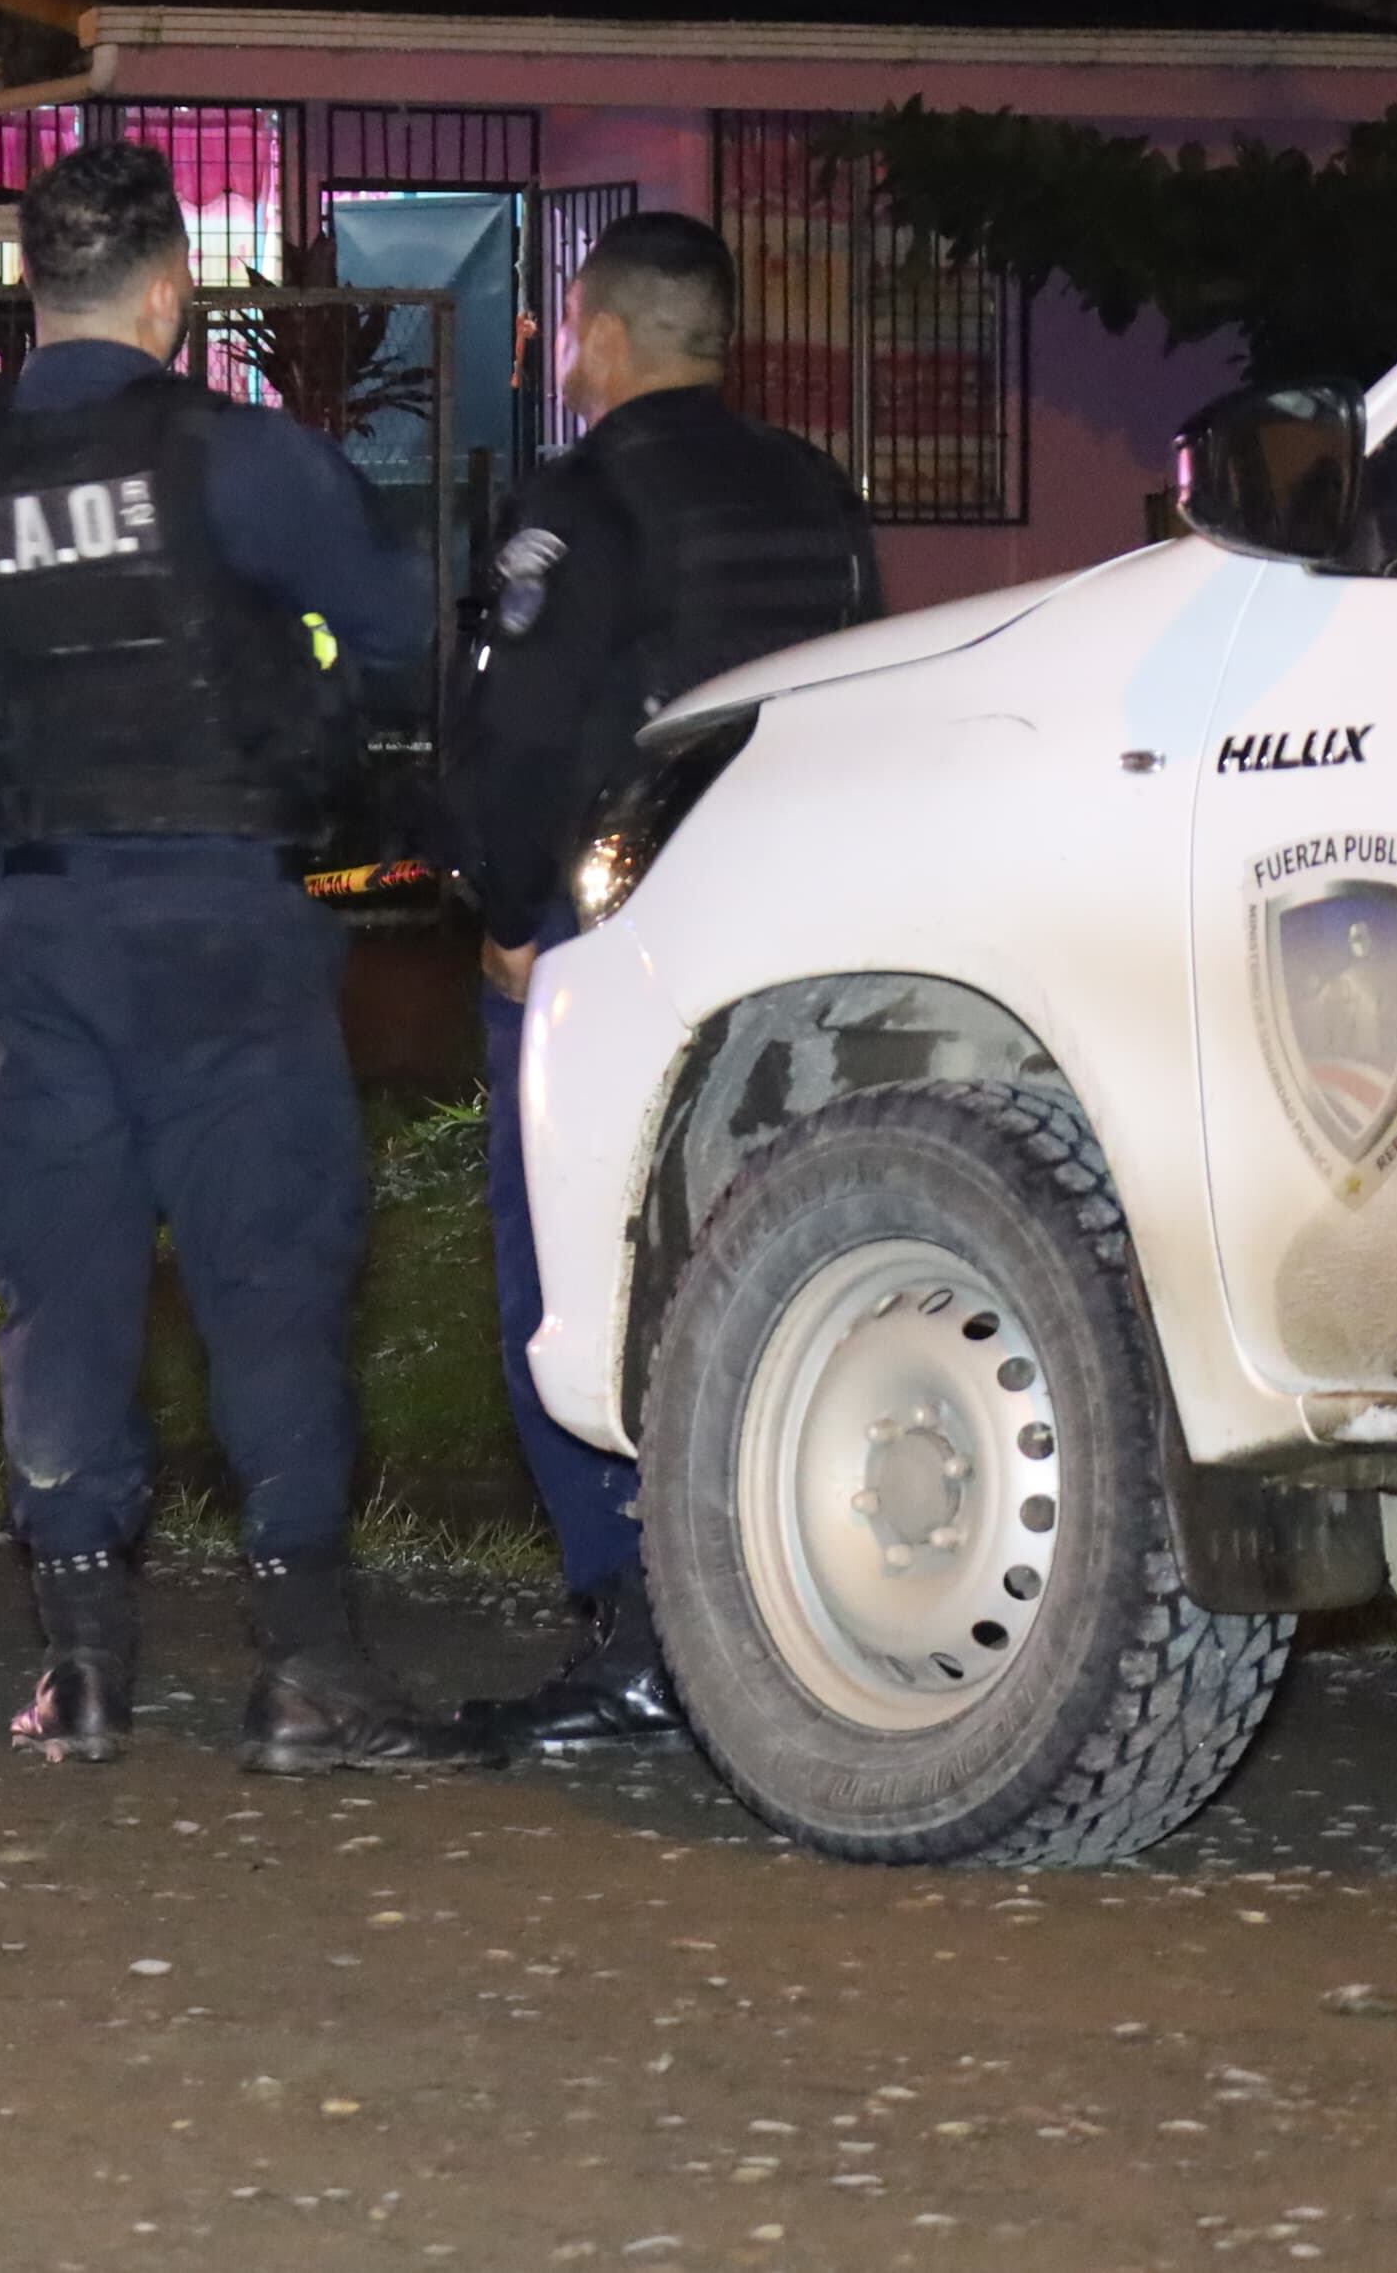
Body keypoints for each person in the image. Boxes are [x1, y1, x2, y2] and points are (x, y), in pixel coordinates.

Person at [0, 141, 477, 1774]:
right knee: (271, 1277)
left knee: (61, 1282)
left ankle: (80, 1667)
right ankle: (307, 1669)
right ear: (170, 290)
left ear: (26, 291)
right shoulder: (245, 460)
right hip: (226, 925)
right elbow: (398, 634)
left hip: (46, 930)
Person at [447, 209, 880, 1753]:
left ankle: (638, 1625)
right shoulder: (816, 494)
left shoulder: (585, 503)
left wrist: (506, 906)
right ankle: (776, 1606)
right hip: (809, 950)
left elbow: (519, 738)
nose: (566, 356)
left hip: (619, 946)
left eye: (571, 330)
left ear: (608, 334)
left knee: (577, 1274)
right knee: (769, 1268)